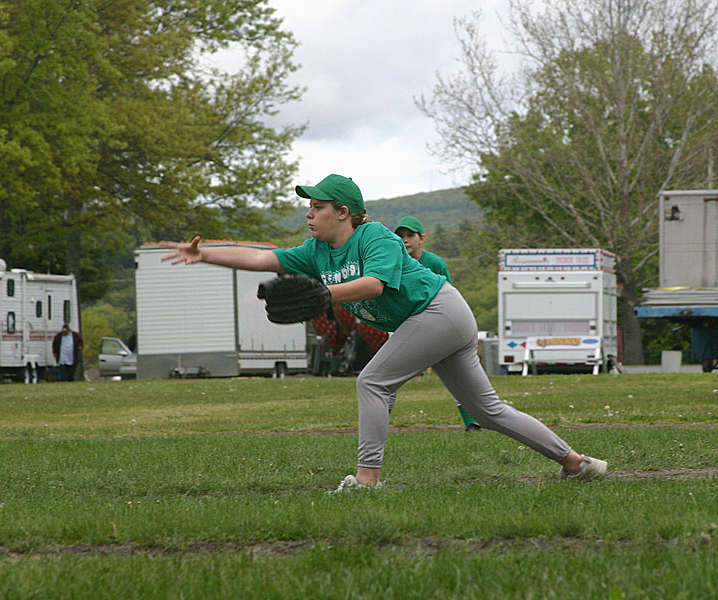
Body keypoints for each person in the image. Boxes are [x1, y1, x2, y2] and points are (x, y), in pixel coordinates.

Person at [159, 174, 607, 491]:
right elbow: (263, 258)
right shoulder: (317, 251)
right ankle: (577, 464)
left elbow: (374, 284)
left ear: (344, 212)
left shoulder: (376, 237)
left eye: (317, 207)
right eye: (309, 207)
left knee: (372, 380)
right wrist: (206, 255)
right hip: (428, 320)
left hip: (439, 311)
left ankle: (367, 479)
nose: (309, 214)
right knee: (487, 411)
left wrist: (324, 294)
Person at [394, 215, 481, 432]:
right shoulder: (393, 262)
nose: (405, 240)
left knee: (456, 373)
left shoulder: (434, 263)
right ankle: (377, 423)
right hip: (403, 324)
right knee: (384, 379)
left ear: (422, 238)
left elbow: (450, 296)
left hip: (435, 325)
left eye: (410, 235)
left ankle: (472, 422)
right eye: (400, 236)